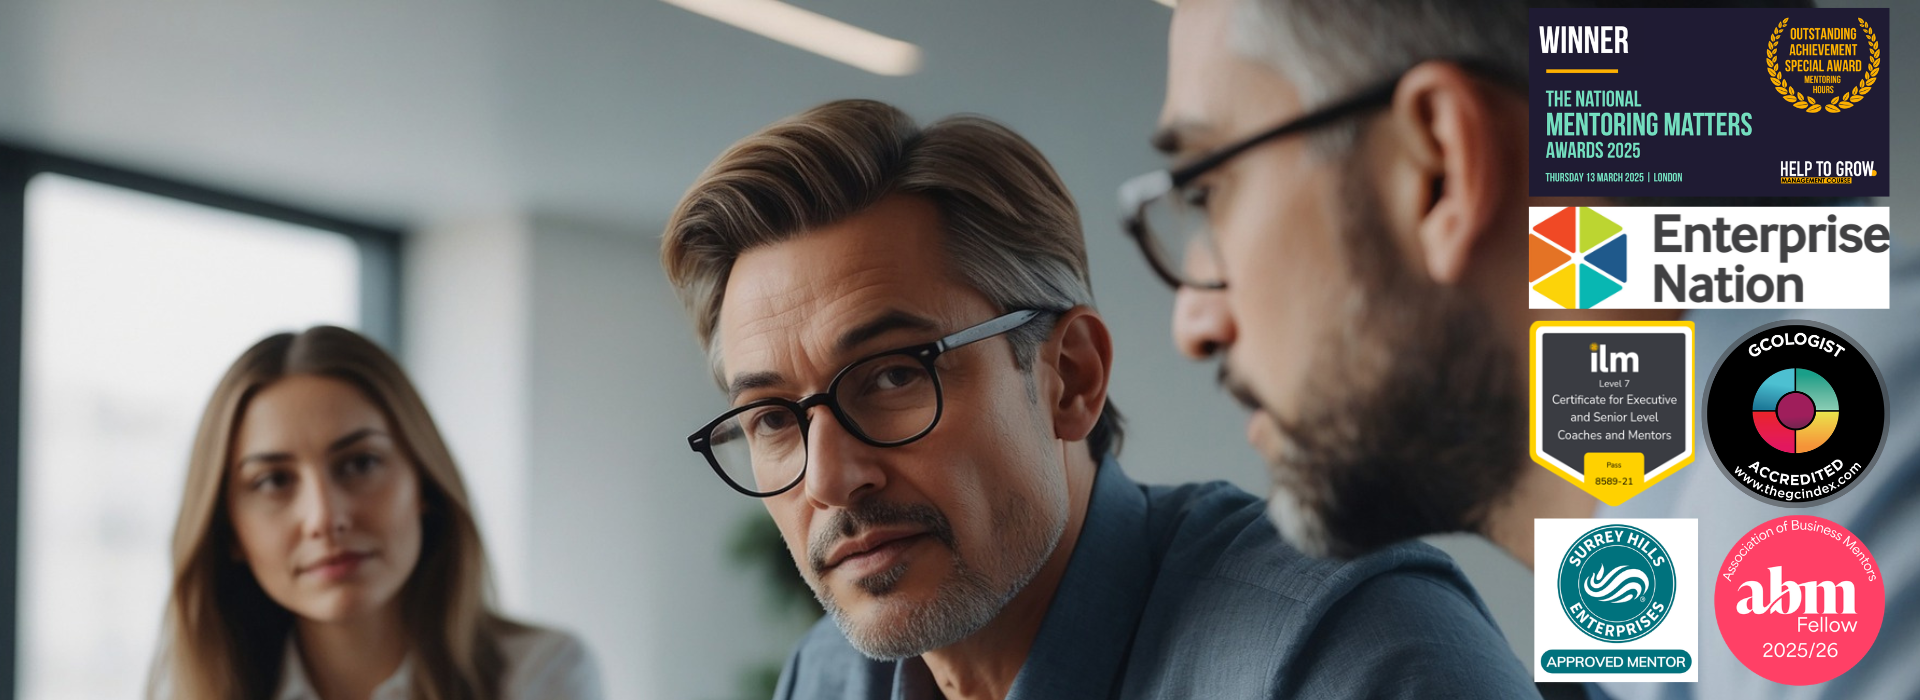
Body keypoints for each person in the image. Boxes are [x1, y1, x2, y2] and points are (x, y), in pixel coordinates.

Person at [661, 98, 1536, 699]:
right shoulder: (826, 678)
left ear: (1069, 377)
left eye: (894, 375)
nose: (832, 477)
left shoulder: (1345, 651)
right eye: (775, 418)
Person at [150, 326, 602, 700]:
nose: (325, 518)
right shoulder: (185, 688)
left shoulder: (542, 676)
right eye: (274, 481)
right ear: (229, 530)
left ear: (423, 481)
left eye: (360, 464)